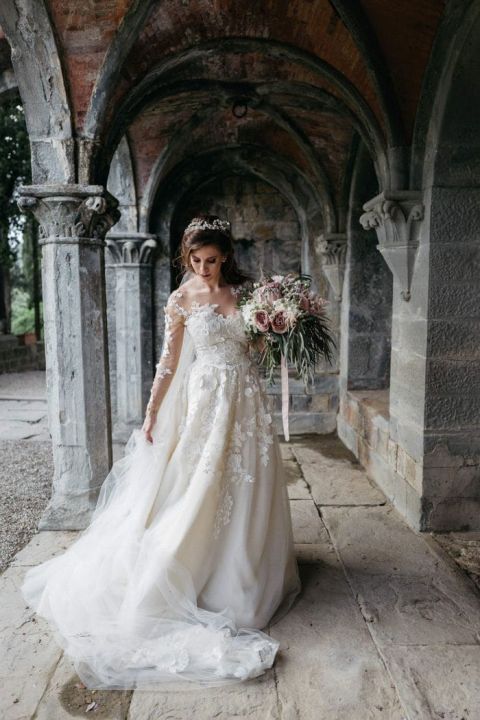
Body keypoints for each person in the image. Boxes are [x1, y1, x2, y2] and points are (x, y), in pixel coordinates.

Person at [20, 214, 301, 689]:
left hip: (247, 401)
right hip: (207, 399)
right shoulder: (182, 299)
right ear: (187, 258)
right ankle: (190, 567)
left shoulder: (247, 295)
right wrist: (150, 414)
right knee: (200, 484)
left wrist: (277, 329)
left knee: (250, 482)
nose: (205, 268)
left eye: (212, 260)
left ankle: (248, 565)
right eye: (196, 260)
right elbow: (169, 363)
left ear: (225, 256)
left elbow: (253, 351)